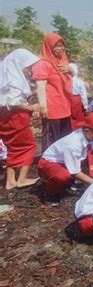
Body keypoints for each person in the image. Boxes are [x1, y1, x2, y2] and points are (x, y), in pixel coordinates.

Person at [0, 49, 40, 190]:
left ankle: (11, 180)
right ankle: (21, 179)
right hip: (16, 117)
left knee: (12, 147)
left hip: (4, 116)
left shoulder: (4, 76)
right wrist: (31, 108)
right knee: (28, 146)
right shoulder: (15, 79)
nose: (29, 71)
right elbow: (14, 102)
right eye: (28, 67)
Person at [33, 33, 73, 151]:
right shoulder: (43, 63)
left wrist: (71, 70)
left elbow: (68, 80)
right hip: (52, 107)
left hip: (64, 106)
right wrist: (43, 106)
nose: (60, 48)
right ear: (48, 46)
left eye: (62, 45)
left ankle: (62, 162)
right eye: (56, 46)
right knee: (52, 138)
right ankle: (48, 163)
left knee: (64, 137)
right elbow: (40, 86)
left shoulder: (62, 61)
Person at [69, 63, 89, 130]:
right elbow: (83, 94)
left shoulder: (66, 81)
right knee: (78, 116)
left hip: (69, 99)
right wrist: (86, 106)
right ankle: (77, 128)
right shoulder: (79, 82)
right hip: (77, 99)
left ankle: (70, 129)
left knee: (70, 116)